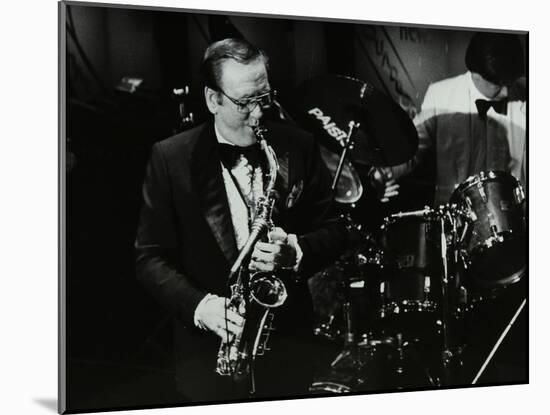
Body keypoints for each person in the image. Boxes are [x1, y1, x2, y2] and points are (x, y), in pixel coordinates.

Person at [135, 38, 349, 402]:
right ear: (213, 100)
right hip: (208, 356)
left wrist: (295, 251)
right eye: (245, 103)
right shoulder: (170, 159)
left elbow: (336, 229)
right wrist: (202, 307)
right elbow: (148, 258)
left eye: (264, 97)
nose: (259, 113)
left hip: (289, 349)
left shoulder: (298, 145)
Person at [388, 32, 526, 206]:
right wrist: (384, 172)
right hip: (458, 218)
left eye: (510, 83)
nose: (507, 92)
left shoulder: (529, 94)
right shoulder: (440, 95)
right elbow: (411, 149)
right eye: (499, 85)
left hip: (514, 216)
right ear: (475, 73)